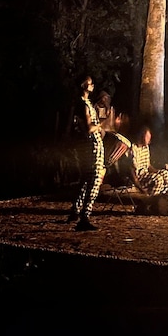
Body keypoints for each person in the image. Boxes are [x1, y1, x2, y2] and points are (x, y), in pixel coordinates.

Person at [66, 75, 106, 231]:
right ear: (84, 85)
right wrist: (103, 124)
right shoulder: (83, 104)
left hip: (90, 146)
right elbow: (89, 129)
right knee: (94, 179)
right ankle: (85, 216)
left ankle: (75, 211)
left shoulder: (86, 103)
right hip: (91, 147)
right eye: (90, 83)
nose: (93, 85)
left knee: (85, 180)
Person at [129, 126, 168, 196]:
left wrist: (157, 171)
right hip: (139, 178)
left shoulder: (146, 147)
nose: (149, 140)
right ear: (142, 136)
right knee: (158, 179)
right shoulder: (133, 149)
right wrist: (139, 186)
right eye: (148, 137)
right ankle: (153, 199)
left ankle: (161, 196)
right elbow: (132, 170)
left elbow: (148, 165)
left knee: (165, 174)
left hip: (146, 175)